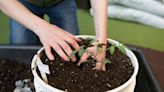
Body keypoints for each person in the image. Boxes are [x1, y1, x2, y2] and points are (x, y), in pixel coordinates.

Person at [0, 0, 107, 70]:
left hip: (61, 1)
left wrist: (101, 41)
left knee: (71, 47)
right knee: (21, 46)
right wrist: (40, 27)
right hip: (21, 3)